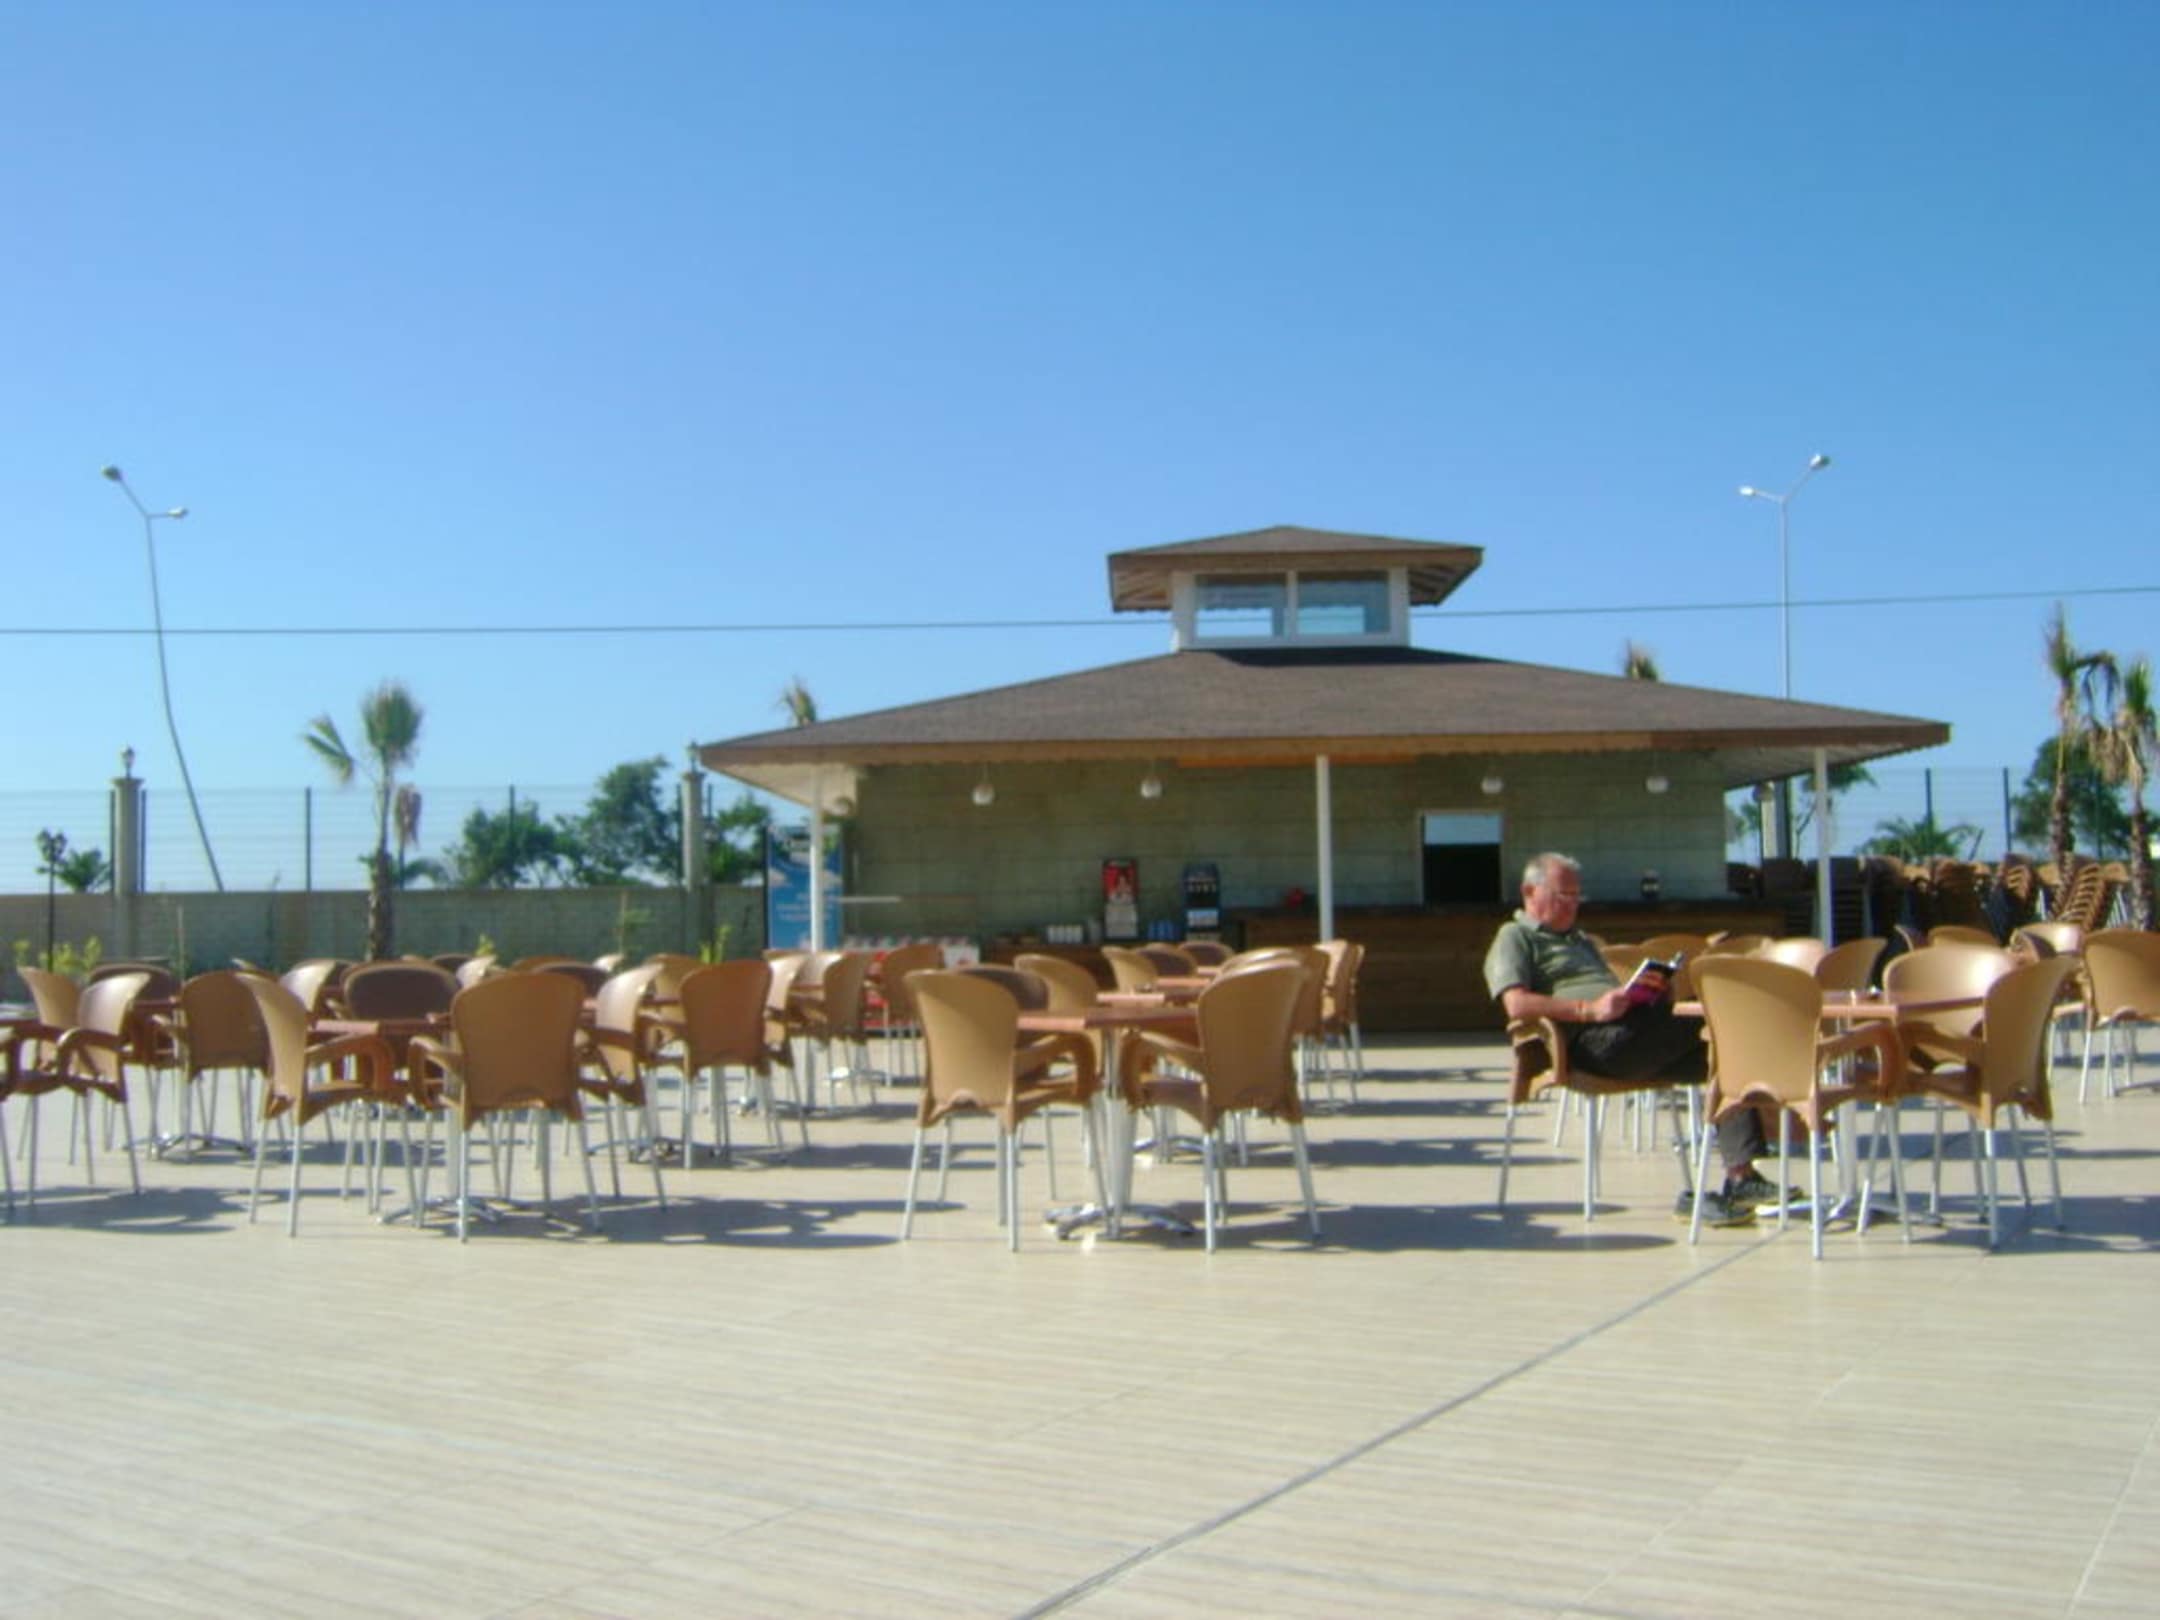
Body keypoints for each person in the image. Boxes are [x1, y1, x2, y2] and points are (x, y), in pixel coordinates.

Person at [1484, 851, 1782, 1226]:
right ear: (1530, 892)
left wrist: (1651, 992)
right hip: (1592, 1043)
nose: (1573, 904)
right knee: (1717, 1014)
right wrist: (1589, 1010)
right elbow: (1516, 1004)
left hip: (1631, 1034)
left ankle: (1741, 1178)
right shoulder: (1515, 937)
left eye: (1577, 896)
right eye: (1564, 895)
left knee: (1726, 1053)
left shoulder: (1581, 941)